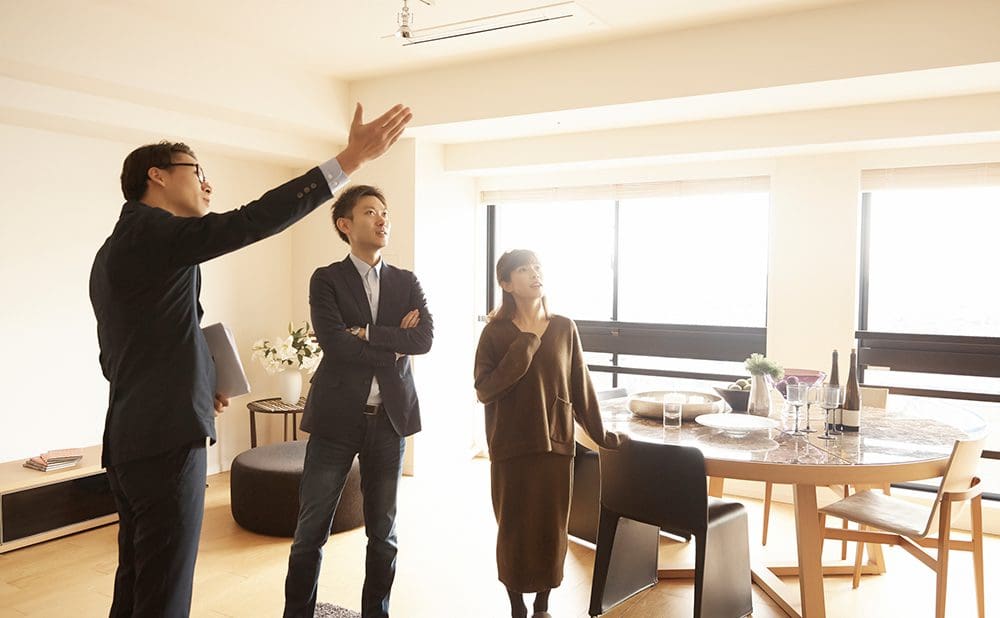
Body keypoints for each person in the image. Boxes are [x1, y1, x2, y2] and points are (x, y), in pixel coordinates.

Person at [89, 103, 411, 618]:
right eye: (196, 171)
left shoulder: (116, 250)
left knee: (137, 581)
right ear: (157, 176)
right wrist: (349, 160)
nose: (207, 184)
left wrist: (203, 378)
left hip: (130, 437)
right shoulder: (154, 234)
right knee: (164, 589)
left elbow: (128, 352)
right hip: (166, 437)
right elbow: (252, 221)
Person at [283, 185, 433, 618]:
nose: (382, 219)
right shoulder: (326, 279)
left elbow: (423, 339)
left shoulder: (406, 281)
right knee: (311, 530)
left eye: (385, 212)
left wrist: (366, 333)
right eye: (370, 212)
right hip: (335, 419)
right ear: (345, 225)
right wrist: (393, 345)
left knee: (383, 533)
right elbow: (334, 343)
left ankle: (376, 614)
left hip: (389, 420)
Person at [473, 249, 625, 618]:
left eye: (537, 267)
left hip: (556, 445)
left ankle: (542, 604)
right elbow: (485, 389)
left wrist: (602, 434)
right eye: (523, 269)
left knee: (551, 528)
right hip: (510, 447)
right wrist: (524, 345)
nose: (534, 274)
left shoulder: (564, 327)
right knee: (512, 528)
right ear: (506, 283)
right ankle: (516, 606)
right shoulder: (495, 333)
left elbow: (580, 386)